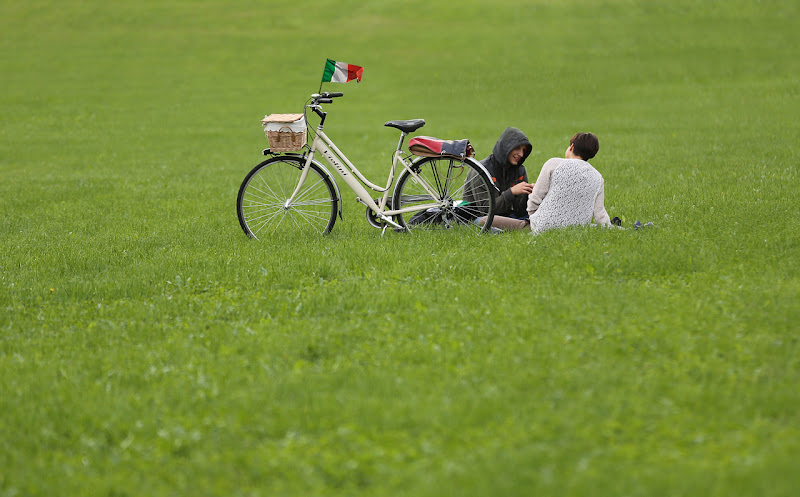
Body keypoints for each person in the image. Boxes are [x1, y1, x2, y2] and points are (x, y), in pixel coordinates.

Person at [525, 132, 611, 233]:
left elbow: (535, 198)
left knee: (503, 222)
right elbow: (600, 214)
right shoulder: (598, 177)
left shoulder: (553, 163)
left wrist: (533, 217)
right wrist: (608, 227)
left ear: (572, 147)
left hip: (542, 225)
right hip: (577, 230)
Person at [464, 127, 534, 225]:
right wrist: (512, 192)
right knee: (483, 221)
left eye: (523, 150)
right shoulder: (481, 171)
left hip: (509, 216)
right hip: (480, 217)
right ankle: (525, 226)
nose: (521, 154)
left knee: (534, 216)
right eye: (517, 148)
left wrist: (530, 193)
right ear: (506, 147)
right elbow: (486, 211)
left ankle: (525, 225)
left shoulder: (520, 170)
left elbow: (520, 211)